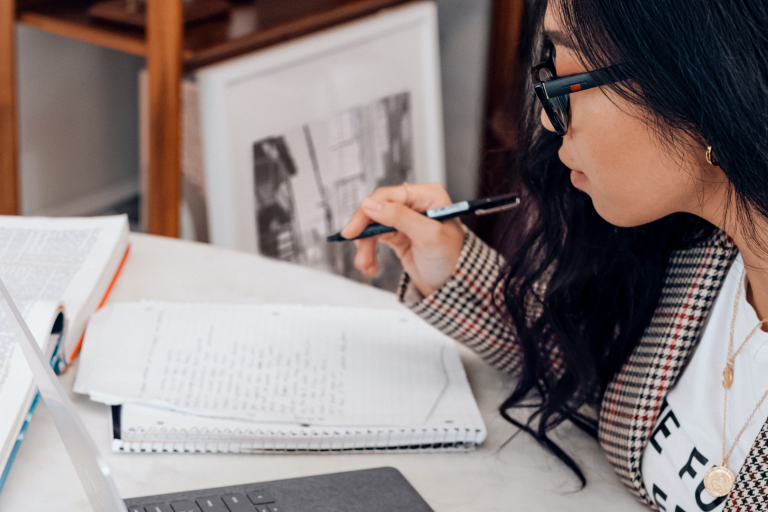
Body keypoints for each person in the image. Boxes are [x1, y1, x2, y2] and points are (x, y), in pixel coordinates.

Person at [340, 0, 768, 510]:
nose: (546, 118)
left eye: (568, 76)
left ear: (707, 85)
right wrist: (453, 266)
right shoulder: (709, 253)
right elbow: (600, 373)